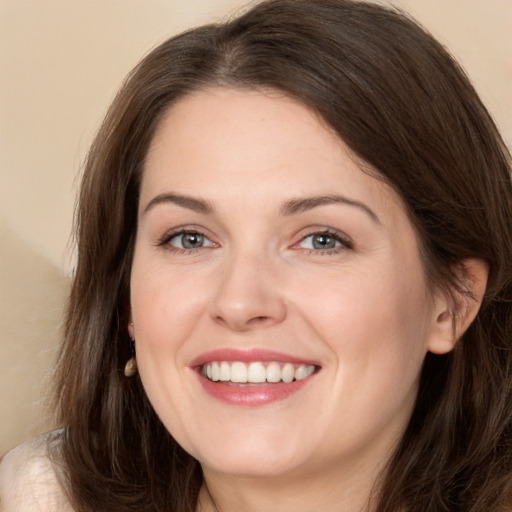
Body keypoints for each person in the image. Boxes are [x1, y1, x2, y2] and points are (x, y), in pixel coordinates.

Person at [1, 0, 512, 510]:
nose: (240, 302)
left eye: (322, 239)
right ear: (127, 297)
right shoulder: (44, 496)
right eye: (189, 238)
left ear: (453, 300)